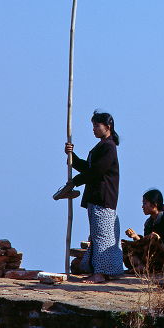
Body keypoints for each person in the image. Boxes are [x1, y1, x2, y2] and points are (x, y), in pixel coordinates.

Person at [63, 109, 125, 283]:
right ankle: (102, 271)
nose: (94, 129)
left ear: (108, 126)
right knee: (99, 235)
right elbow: (89, 168)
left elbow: (96, 172)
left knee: (103, 237)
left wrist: (75, 181)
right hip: (97, 197)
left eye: (97, 126)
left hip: (103, 198)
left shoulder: (109, 147)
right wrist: (72, 156)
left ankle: (101, 273)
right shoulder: (101, 146)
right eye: (93, 126)